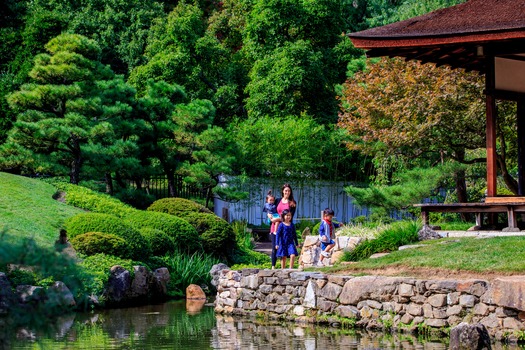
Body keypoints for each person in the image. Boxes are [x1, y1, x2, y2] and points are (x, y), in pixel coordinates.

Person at [268, 183, 298, 269]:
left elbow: (290, 217)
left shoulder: (292, 203)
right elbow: (270, 209)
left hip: (285, 227)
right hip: (274, 227)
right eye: (285, 191)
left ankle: (286, 268)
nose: (287, 192)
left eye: (289, 191)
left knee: (284, 248)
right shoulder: (277, 200)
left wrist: (277, 219)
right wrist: (269, 216)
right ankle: (273, 266)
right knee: (275, 247)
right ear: (282, 191)